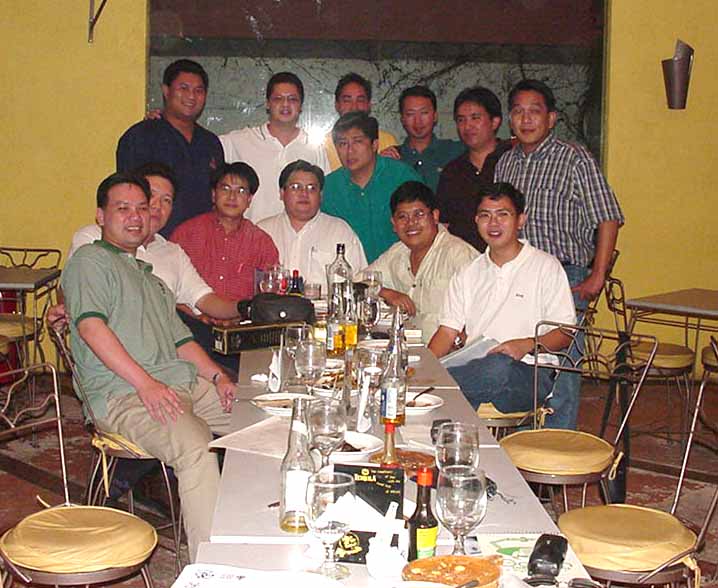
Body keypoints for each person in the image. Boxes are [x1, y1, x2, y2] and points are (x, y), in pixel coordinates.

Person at [61, 171, 236, 562]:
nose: (136, 216)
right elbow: (91, 327)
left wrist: (218, 377)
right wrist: (146, 384)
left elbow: (182, 342)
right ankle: (212, 568)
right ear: (100, 216)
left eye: (142, 208)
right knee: (195, 447)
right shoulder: (90, 261)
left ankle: (263, 534)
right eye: (123, 208)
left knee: (261, 421)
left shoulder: (149, 277)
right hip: (125, 394)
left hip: (180, 385)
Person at [495, 78, 624, 428]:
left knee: (562, 368)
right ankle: (522, 441)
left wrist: (597, 274)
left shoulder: (574, 158)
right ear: (510, 119)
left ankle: (557, 446)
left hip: (567, 277)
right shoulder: (505, 164)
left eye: (534, 111)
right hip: (518, 277)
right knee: (522, 361)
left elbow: (608, 216)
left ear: (551, 118)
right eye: (518, 112)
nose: (526, 119)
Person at [428, 183, 575, 415]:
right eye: (485, 215)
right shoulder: (468, 273)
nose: (493, 223)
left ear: (521, 220)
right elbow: (447, 332)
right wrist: (426, 367)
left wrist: (526, 344)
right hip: (476, 369)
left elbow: (566, 333)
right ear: (476, 220)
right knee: (470, 381)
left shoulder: (545, 266)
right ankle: (441, 399)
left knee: (498, 366)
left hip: (529, 372)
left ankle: (431, 389)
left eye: (503, 215)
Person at [68, 163, 240, 323]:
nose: (158, 206)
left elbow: (206, 300)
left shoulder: (173, 253)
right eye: (151, 196)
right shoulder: (93, 238)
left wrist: (247, 307)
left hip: (166, 341)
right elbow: (71, 292)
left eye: (167, 200)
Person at [117, 59, 223, 237]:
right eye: (184, 88)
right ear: (166, 91)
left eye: (198, 90)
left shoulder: (210, 143)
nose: (191, 96)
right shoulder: (141, 136)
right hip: (152, 241)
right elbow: (126, 194)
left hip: (201, 242)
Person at [361, 181, 477, 343]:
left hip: (449, 352)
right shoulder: (398, 251)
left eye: (419, 214)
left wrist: (455, 346)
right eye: (403, 217)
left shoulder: (459, 254)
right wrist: (386, 292)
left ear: (435, 216)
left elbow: (481, 314)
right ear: (394, 224)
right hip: (408, 348)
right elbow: (357, 281)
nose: (411, 223)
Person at [219, 72, 330, 223]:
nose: (285, 104)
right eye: (278, 98)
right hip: (251, 234)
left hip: (301, 235)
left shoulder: (315, 148)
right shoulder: (238, 141)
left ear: (301, 106)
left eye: (292, 99)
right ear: (267, 103)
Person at [321, 112, 423, 263]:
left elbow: (423, 231)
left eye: (357, 142)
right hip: (349, 272)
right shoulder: (329, 188)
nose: (350, 151)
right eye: (342, 144)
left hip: (400, 270)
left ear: (374, 145)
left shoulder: (402, 177)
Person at [170, 162, 279, 302]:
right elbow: (167, 288)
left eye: (241, 191)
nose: (232, 197)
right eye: (225, 189)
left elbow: (269, 297)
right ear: (213, 194)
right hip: (189, 314)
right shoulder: (186, 234)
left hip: (243, 315)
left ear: (249, 200)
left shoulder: (262, 243)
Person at [258, 160, 367, 286]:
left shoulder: (340, 231)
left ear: (321, 195)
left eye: (311, 188)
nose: (304, 193)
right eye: (296, 187)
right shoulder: (262, 231)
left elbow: (359, 282)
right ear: (282, 193)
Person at [436, 87, 513, 252]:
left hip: (508, 259)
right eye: (461, 120)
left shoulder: (513, 161)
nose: (467, 126)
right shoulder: (452, 172)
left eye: (475, 118)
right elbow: (444, 224)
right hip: (464, 261)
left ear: (495, 121)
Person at [381, 86, 465, 192]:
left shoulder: (455, 151)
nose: (418, 121)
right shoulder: (393, 157)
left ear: (435, 116)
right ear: (402, 119)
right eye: (410, 114)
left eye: (424, 113)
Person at [324, 73, 398, 171]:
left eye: (360, 100)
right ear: (337, 105)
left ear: (369, 105)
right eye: (347, 101)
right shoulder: (323, 145)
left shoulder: (386, 140)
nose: (354, 107)